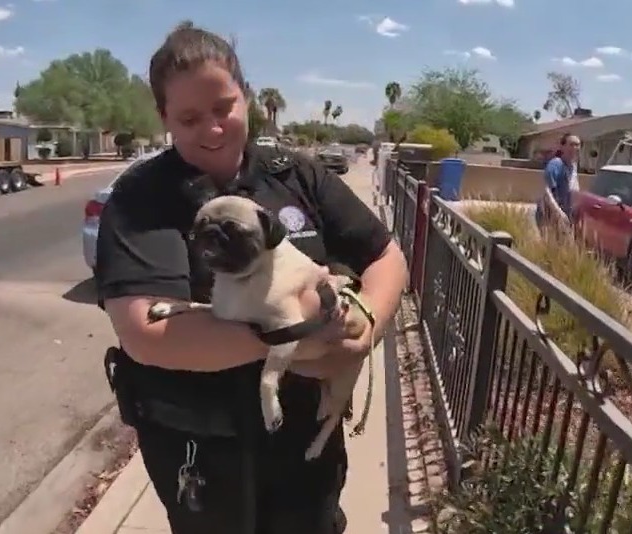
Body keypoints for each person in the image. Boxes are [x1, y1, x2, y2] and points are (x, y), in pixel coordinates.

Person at [94, 21, 408, 534]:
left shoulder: (297, 175)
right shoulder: (141, 199)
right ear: (164, 118)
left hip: (305, 454)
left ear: (247, 97)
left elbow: (385, 255)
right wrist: (296, 328)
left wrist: (365, 327)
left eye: (224, 108)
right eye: (190, 117)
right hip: (199, 454)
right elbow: (147, 335)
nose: (212, 128)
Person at [535, 132, 581, 230]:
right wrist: (558, 212)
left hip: (565, 214)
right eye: (571, 144)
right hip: (549, 214)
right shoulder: (556, 164)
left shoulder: (573, 167)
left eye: (577, 145)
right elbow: (546, 191)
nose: (575, 148)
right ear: (562, 147)